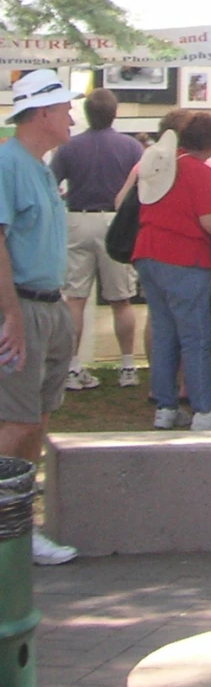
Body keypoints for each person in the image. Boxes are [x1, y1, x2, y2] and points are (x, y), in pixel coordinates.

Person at [0, 70, 81, 563]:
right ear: (44, 113)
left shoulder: (41, 166)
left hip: (50, 305)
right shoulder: (7, 162)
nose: (72, 116)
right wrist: (9, 315)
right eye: (65, 108)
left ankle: (21, 526)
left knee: (37, 419)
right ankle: (8, 529)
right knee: (15, 420)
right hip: (23, 306)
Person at [131, 110, 211, 431]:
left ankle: (165, 408)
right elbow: (209, 222)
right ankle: (205, 411)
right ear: (210, 145)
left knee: (165, 333)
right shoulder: (198, 171)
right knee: (195, 336)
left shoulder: (161, 163)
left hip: (147, 253)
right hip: (181, 258)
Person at [51, 86, 142, 391]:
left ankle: (73, 368)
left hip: (77, 218)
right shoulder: (131, 148)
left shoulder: (68, 147)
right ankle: (127, 365)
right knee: (121, 298)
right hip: (114, 222)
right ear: (114, 113)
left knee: (74, 298)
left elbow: (52, 183)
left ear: (86, 114)